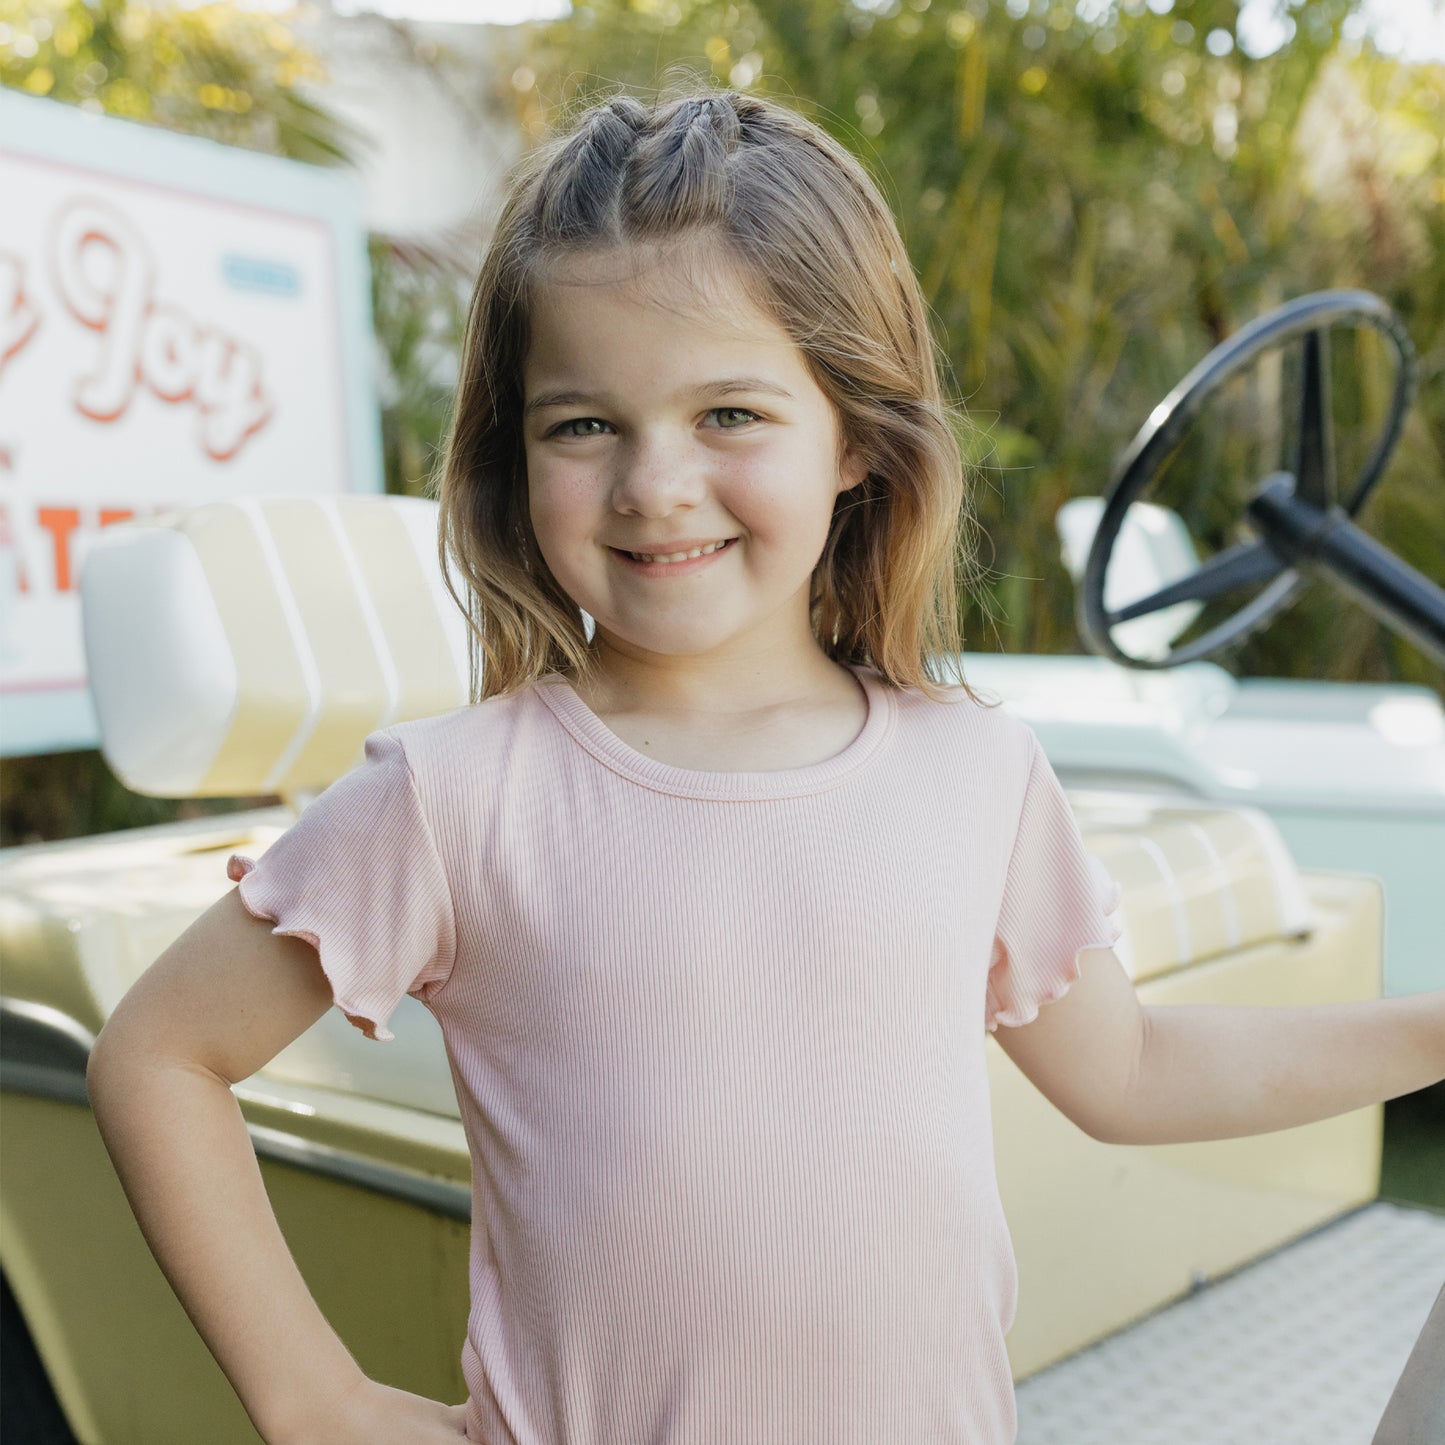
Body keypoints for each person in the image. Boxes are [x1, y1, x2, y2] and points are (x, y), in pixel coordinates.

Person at [86, 89, 1445, 1445]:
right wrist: (311, 1399)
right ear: (516, 454)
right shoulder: (454, 798)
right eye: (582, 425)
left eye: (728, 412)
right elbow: (158, 1053)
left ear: (854, 435)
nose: (652, 484)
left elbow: (1133, 1069)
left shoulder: (974, 771)